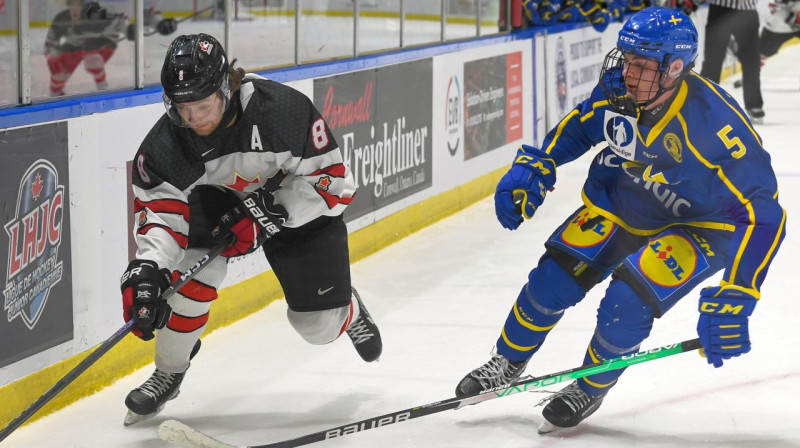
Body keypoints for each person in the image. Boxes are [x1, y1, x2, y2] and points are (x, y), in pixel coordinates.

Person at [455, 7, 786, 434]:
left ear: (675, 69)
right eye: (626, 59)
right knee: (551, 282)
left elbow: (764, 215)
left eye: (642, 65)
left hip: (700, 224)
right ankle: (508, 361)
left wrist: (742, 287)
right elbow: (581, 125)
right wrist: (540, 162)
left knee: (625, 304)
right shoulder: (622, 91)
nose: (628, 72)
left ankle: (589, 387)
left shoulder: (715, 125)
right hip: (628, 200)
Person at [120, 33, 382, 425]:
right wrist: (148, 270)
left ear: (225, 86)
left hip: (299, 211)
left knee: (316, 326)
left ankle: (349, 310)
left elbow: (330, 181)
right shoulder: (167, 143)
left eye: (202, 106)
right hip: (222, 208)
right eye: (181, 108)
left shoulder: (283, 113)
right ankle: (170, 370)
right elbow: (160, 213)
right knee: (192, 272)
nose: (193, 120)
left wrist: (271, 211)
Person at [677, 0, 766, 123]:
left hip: (748, 12)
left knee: (751, 60)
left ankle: (754, 105)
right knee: (713, 60)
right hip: (720, 10)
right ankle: (703, 102)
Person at [44, 0, 127, 96]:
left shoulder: (93, 14)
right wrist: (53, 58)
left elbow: (116, 21)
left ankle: (103, 88)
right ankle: (55, 94)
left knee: (93, 60)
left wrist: (128, 29)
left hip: (97, 46)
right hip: (73, 47)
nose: (75, 8)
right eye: (72, 5)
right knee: (58, 73)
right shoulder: (62, 18)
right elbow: (50, 42)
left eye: (78, 5)